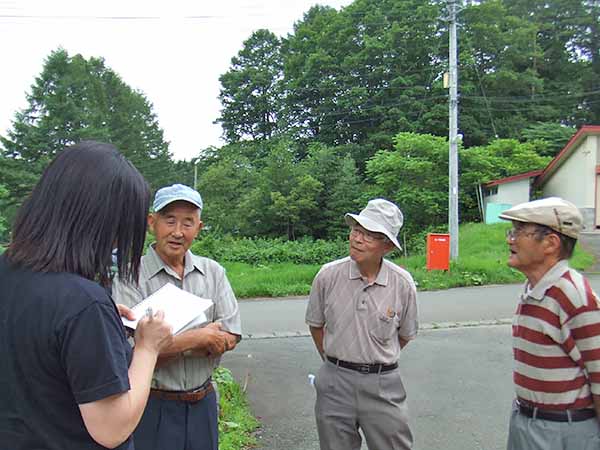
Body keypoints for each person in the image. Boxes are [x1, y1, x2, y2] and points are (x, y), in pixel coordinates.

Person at [0, 141, 173, 450]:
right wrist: (148, 347)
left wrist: (98, 327)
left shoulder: (9, 271)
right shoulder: (83, 304)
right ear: (100, 223)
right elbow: (111, 428)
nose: (118, 242)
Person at [112, 183, 242, 450]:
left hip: (203, 403)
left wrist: (163, 348)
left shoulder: (213, 272)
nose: (178, 232)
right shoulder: (129, 275)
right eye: (169, 221)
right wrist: (198, 339)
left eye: (188, 222)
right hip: (151, 405)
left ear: (199, 227)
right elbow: (127, 355)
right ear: (152, 223)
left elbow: (231, 333)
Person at [305, 198, 418, 450]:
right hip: (335, 380)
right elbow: (316, 325)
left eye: (369, 235)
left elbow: (405, 335)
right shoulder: (327, 276)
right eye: (356, 230)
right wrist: (336, 362)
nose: (357, 238)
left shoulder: (402, 283)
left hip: (383, 383)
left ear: (387, 246)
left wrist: (374, 356)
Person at [499, 197, 600, 450]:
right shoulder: (535, 288)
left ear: (551, 243)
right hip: (527, 420)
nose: (510, 239)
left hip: (563, 431)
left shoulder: (572, 294)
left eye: (520, 232)